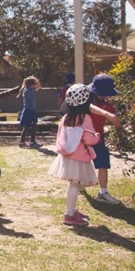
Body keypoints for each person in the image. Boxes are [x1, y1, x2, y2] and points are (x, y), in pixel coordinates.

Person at [48, 83, 99, 226]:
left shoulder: (66, 117)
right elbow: (89, 139)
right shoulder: (85, 118)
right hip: (79, 158)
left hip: (67, 157)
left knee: (74, 184)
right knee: (75, 186)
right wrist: (97, 136)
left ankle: (72, 211)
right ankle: (69, 214)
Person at [88, 74, 121, 205]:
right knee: (80, 164)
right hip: (83, 137)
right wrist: (106, 114)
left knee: (103, 162)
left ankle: (103, 193)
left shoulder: (108, 104)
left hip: (98, 138)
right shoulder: (87, 99)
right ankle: (77, 185)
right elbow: (88, 107)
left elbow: (116, 117)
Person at [17, 76, 42, 148]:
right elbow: (39, 86)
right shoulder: (30, 90)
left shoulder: (27, 89)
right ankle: (22, 142)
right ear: (32, 84)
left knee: (34, 125)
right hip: (29, 111)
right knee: (27, 127)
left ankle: (32, 142)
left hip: (31, 110)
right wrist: (34, 78)